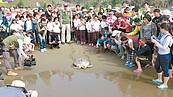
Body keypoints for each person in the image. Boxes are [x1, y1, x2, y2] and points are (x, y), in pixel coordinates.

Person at [151, 23, 173, 89]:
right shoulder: (164, 35)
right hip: (160, 54)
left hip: (165, 55)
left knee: (165, 69)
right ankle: (159, 79)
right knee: (157, 65)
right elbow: (161, 42)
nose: (160, 30)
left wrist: (155, 42)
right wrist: (156, 39)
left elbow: (164, 47)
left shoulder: (168, 37)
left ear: (164, 29)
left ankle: (165, 84)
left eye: (160, 28)